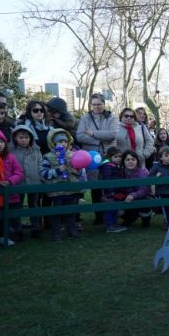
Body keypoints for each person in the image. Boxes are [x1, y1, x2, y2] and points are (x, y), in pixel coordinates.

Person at [76, 93, 118, 225]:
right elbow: (80, 136)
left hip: (107, 156)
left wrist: (93, 133)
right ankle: (98, 216)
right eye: (94, 104)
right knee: (95, 186)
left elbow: (112, 134)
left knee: (108, 185)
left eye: (99, 104)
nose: (97, 107)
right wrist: (100, 141)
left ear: (104, 104)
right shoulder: (85, 118)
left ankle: (110, 215)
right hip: (91, 156)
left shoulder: (111, 118)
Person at [40, 128, 82, 242]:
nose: (63, 144)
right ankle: (56, 233)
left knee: (71, 212)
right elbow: (43, 173)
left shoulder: (73, 154)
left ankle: (72, 230)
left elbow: (81, 169)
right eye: (59, 142)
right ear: (54, 143)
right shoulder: (48, 157)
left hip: (71, 189)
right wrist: (58, 171)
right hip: (56, 190)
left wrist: (77, 172)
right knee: (57, 213)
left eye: (64, 141)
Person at [10, 125, 44, 239]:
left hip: (35, 182)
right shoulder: (11, 152)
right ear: (15, 138)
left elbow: (40, 165)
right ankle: (17, 230)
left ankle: (36, 228)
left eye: (26, 137)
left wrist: (41, 177)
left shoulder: (36, 151)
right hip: (18, 184)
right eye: (21, 137)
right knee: (17, 206)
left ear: (30, 138)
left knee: (34, 205)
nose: (24, 140)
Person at [148, 146, 169, 229]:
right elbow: (149, 177)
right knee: (166, 209)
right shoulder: (156, 167)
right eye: (166, 156)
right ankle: (168, 222)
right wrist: (156, 176)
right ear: (161, 157)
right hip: (162, 192)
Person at [118, 149, 153, 228]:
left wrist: (133, 195)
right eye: (128, 160)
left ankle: (146, 220)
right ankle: (129, 219)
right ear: (123, 161)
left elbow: (144, 189)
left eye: (133, 159)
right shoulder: (121, 172)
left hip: (143, 197)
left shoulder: (142, 171)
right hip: (126, 198)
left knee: (144, 202)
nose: (130, 162)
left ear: (137, 161)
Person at [99, 147, 126, 233]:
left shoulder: (116, 166)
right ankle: (110, 225)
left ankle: (114, 224)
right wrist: (110, 191)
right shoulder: (108, 166)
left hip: (116, 191)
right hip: (110, 192)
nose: (118, 158)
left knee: (115, 209)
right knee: (110, 209)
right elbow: (106, 179)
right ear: (110, 157)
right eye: (116, 157)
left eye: (120, 157)